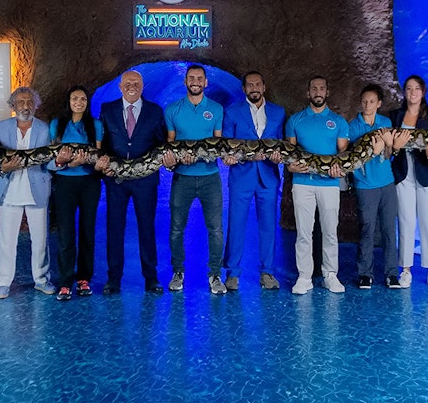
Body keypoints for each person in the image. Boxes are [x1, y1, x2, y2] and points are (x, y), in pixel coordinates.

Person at [0, 87, 73, 299]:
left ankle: (41, 279)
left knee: (40, 240)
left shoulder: (45, 130)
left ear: (36, 105)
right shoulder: (0, 129)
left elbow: (49, 164)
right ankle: (3, 282)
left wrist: (61, 161)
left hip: (37, 190)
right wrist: (2, 169)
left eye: (29, 102)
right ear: (13, 106)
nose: (25, 106)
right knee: (7, 240)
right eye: (20, 102)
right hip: (9, 190)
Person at [97, 70, 167, 295]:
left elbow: (161, 143)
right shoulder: (107, 110)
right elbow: (103, 144)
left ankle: (151, 278)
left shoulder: (155, 112)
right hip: (115, 180)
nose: (132, 86)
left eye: (136, 83)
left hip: (145, 181)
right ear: (120, 86)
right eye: (128, 83)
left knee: (147, 228)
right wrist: (104, 161)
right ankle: (113, 279)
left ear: (142, 86)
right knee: (114, 228)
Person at [163, 64, 226, 294]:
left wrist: (223, 157)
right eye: (191, 78)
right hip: (182, 178)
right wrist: (175, 160)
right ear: (185, 81)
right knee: (177, 228)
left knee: (216, 229)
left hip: (210, 178)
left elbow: (218, 144)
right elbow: (170, 143)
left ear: (206, 82)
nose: (195, 81)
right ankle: (178, 272)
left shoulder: (217, 109)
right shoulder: (172, 110)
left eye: (200, 78)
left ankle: (215, 275)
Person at [221, 71, 286, 291]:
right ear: (244, 89)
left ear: (264, 87)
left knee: (268, 227)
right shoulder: (232, 112)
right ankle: (232, 274)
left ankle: (267, 273)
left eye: (258, 84)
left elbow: (282, 146)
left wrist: (279, 157)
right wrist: (229, 158)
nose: (254, 88)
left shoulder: (278, 113)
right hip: (241, 177)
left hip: (268, 177)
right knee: (236, 225)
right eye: (250, 85)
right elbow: (227, 146)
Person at [284, 76, 349, 295]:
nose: (318, 92)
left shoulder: (339, 122)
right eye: (314, 88)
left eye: (322, 88)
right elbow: (289, 156)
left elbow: (343, 155)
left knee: (330, 232)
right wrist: (291, 168)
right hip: (302, 183)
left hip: (330, 184)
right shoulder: (295, 120)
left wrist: (340, 169)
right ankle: (304, 277)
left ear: (327, 92)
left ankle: (330, 274)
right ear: (308, 93)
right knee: (304, 232)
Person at [388, 75, 428, 290]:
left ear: (423, 92)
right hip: (403, 174)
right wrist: (395, 147)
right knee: (405, 221)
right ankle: (405, 270)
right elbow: (390, 151)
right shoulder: (395, 116)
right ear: (404, 92)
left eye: (417, 88)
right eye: (409, 88)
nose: (412, 92)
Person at [50, 86, 104, 300]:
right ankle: (65, 281)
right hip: (64, 182)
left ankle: (83, 279)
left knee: (87, 230)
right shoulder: (57, 124)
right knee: (65, 233)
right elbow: (52, 157)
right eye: (75, 98)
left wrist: (88, 162)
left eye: (83, 99)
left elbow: (98, 154)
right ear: (68, 101)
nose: (79, 102)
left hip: (89, 182)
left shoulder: (95, 125)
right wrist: (68, 162)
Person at [348, 84, 399, 289]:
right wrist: (375, 149)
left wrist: (389, 146)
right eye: (364, 101)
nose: (367, 105)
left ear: (378, 103)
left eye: (371, 101)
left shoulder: (385, 123)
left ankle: (391, 273)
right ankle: (365, 273)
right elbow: (351, 159)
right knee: (367, 229)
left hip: (386, 183)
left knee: (389, 229)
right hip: (364, 184)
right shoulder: (353, 127)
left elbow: (388, 155)